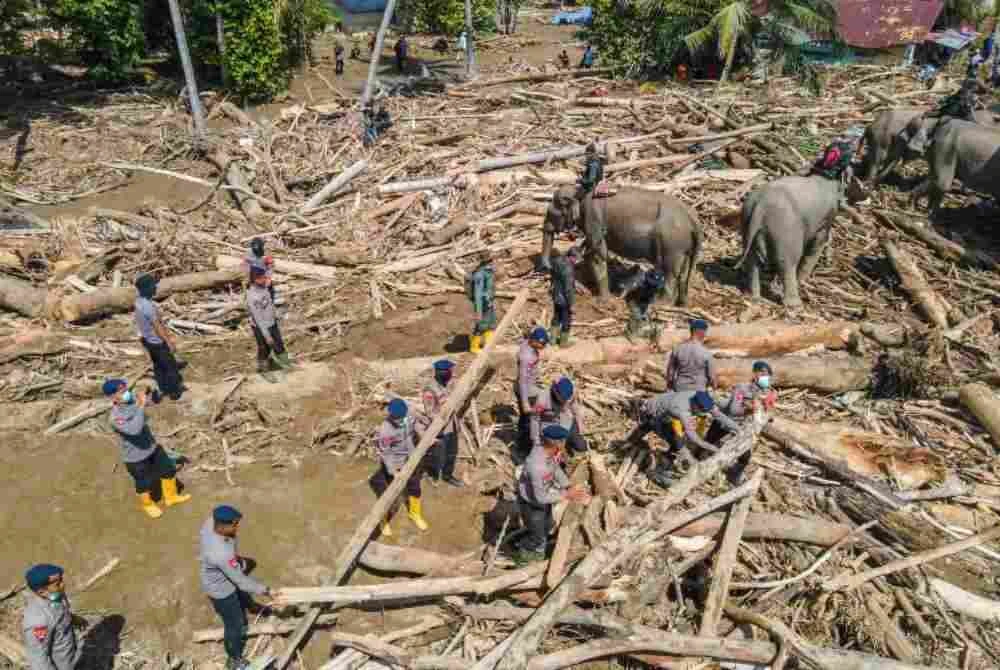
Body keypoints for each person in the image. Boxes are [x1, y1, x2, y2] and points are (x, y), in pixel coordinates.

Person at [200, 506, 274, 670]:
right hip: (221, 590)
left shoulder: (210, 523)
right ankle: (234, 659)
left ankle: (249, 605)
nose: (237, 528)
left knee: (239, 590)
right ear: (222, 527)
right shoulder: (221, 553)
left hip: (223, 573)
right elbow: (241, 581)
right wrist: (267, 590)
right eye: (234, 525)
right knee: (235, 624)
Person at [106, 378, 191, 519]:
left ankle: (171, 497)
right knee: (143, 482)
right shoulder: (116, 417)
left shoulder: (131, 400)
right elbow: (135, 430)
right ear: (112, 396)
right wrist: (141, 406)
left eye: (126, 390)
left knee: (168, 470)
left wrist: (152, 392)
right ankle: (147, 505)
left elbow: (148, 400)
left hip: (152, 448)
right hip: (135, 457)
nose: (127, 393)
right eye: (122, 392)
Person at [514, 425, 591, 563]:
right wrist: (567, 494)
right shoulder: (537, 466)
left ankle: (536, 539)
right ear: (558, 443)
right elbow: (540, 498)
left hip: (544, 497)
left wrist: (567, 485)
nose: (566, 444)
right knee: (538, 538)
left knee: (547, 526)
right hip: (532, 504)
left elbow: (555, 470)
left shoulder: (548, 451)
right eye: (564, 441)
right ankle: (524, 555)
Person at [634, 390, 738, 487]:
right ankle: (656, 473)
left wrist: (738, 429)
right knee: (669, 444)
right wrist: (715, 449)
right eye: (701, 411)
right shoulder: (682, 410)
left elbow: (720, 416)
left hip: (666, 416)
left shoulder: (699, 397)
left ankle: (666, 468)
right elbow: (695, 439)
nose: (703, 414)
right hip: (651, 415)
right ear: (695, 405)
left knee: (677, 443)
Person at [710, 360, 776, 483]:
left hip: (744, 428)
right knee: (708, 444)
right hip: (726, 422)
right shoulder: (742, 388)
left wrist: (767, 414)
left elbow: (768, 413)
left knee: (745, 457)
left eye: (767, 375)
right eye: (762, 373)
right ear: (754, 374)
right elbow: (733, 410)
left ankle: (733, 475)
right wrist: (749, 409)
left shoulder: (767, 393)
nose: (765, 377)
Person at [371, 399, 429, 534]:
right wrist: (393, 471)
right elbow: (386, 453)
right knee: (388, 493)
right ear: (391, 416)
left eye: (402, 417)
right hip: (395, 463)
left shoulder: (407, 415)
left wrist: (424, 435)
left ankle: (415, 514)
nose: (401, 420)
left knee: (415, 488)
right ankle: (383, 520)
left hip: (410, 459)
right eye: (398, 418)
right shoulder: (386, 431)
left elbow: (416, 425)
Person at [135, 274, 183, 400]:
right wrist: (169, 342)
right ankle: (174, 392)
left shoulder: (138, 302)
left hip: (148, 341)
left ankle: (162, 387)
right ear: (146, 288)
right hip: (157, 342)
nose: (156, 287)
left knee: (158, 366)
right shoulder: (148, 306)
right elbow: (157, 327)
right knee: (170, 366)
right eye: (153, 286)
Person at [22, 564, 80, 670]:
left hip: (70, 653)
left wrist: (73, 618)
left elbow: (62, 611)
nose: (63, 585)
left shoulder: (56, 595)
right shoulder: (39, 622)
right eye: (58, 584)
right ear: (42, 592)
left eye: (62, 580)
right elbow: (39, 659)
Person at [906, 77, 979, 153]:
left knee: (940, 120)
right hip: (949, 111)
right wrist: (940, 103)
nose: (976, 87)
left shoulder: (968, 95)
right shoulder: (964, 93)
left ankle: (929, 139)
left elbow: (966, 107)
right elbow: (950, 99)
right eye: (975, 86)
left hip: (954, 114)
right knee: (928, 115)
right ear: (972, 86)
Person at [421, 360, 463, 487]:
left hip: (452, 425)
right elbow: (429, 412)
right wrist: (442, 419)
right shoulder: (430, 389)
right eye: (448, 371)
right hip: (440, 429)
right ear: (441, 373)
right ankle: (434, 475)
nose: (451, 374)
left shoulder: (447, 385)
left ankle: (447, 475)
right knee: (438, 455)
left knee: (452, 452)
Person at [247, 266, 292, 375]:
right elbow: (258, 319)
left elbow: (270, 296)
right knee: (264, 348)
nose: (266, 279)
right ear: (256, 279)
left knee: (279, 345)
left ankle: (286, 365)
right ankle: (263, 369)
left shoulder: (264, 287)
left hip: (271, 322)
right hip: (260, 326)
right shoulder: (253, 297)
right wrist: (267, 336)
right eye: (263, 278)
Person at [530, 376, 587, 455]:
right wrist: (536, 440)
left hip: (566, 422)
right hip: (549, 425)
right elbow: (534, 419)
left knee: (581, 446)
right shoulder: (543, 399)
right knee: (551, 455)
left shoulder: (570, 396)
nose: (564, 402)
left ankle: (567, 443)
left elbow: (576, 410)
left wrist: (580, 426)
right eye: (562, 399)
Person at [515, 327, 549, 455]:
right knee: (528, 419)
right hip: (525, 390)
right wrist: (525, 402)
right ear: (534, 341)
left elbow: (524, 337)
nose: (543, 346)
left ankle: (524, 441)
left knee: (526, 418)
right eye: (542, 344)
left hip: (531, 385)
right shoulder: (526, 357)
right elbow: (522, 381)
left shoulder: (527, 343)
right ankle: (524, 447)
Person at [665, 319, 717, 392]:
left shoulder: (678, 349)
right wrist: (714, 387)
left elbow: (670, 374)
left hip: (680, 388)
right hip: (699, 391)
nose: (705, 335)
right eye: (705, 332)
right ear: (702, 333)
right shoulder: (706, 353)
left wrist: (670, 386)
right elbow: (712, 377)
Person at [465, 250, 497, 353]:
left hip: (488, 302)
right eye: (490, 260)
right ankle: (474, 347)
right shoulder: (479, 275)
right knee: (481, 326)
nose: (492, 262)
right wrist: (478, 312)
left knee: (491, 324)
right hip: (482, 303)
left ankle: (489, 345)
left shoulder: (489, 271)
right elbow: (478, 295)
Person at [621, 269, 666, 339]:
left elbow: (653, 295)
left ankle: (641, 332)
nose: (656, 287)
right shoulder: (640, 279)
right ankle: (630, 334)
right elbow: (628, 288)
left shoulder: (658, 284)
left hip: (645, 299)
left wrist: (651, 305)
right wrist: (622, 296)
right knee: (636, 315)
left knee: (644, 316)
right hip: (633, 298)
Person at [549, 247, 578, 347]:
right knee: (566, 320)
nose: (576, 261)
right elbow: (568, 289)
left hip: (556, 295)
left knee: (556, 317)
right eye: (576, 258)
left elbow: (553, 277)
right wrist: (572, 304)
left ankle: (552, 341)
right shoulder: (568, 269)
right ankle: (563, 342)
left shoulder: (557, 262)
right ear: (572, 257)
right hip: (564, 299)